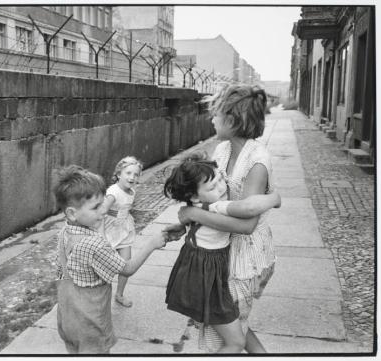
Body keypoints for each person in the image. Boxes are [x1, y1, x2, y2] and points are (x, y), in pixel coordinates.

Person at [178, 85, 275, 353]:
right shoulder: (222, 151)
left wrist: (193, 214)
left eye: (216, 115)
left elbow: (247, 225)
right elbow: (208, 196)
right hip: (222, 249)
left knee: (228, 334)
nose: (211, 119)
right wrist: (186, 220)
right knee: (233, 324)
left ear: (232, 121)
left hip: (246, 258)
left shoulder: (257, 162)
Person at [163, 153, 280, 353]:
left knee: (238, 330)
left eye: (220, 179)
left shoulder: (198, 205)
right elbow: (247, 214)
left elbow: (194, 218)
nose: (221, 187)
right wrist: (274, 199)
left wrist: (185, 221)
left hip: (205, 274)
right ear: (194, 196)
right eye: (212, 187)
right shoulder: (216, 206)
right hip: (204, 278)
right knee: (235, 342)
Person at [53, 165, 167, 354]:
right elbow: (127, 268)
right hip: (90, 323)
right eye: (96, 207)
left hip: (67, 317)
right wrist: (152, 243)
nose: (103, 211)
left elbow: (63, 271)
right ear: (72, 213)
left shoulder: (64, 232)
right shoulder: (94, 244)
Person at [100, 156, 143, 307]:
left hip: (124, 231)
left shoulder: (132, 191)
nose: (132, 177)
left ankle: (119, 294)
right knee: (105, 267)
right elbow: (103, 211)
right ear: (119, 174)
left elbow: (127, 206)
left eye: (136, 174)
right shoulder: (113, 192)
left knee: (126, 265)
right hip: (109, 232)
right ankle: (101, 296)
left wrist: (125, 215)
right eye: (128, 173)